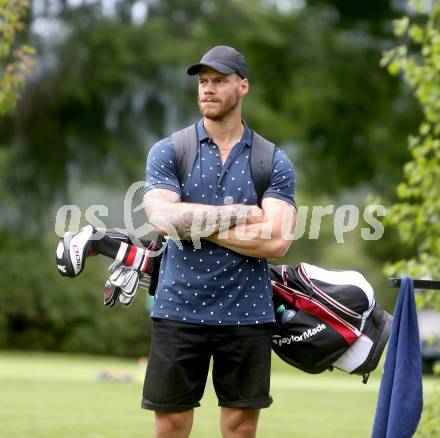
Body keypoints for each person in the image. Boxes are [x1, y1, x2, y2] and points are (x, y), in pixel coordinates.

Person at [142, 45, 297, 438]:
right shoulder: (170, 150)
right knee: (170, 428)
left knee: (241, 430)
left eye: (219, 81)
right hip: (178, 309)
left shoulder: (272, 159)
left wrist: (191, 222)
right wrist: (245, 214)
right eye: (203, 82)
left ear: (242, 86)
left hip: (248, 314)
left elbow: (278, 241)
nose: (207, 90)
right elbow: (162, 219)